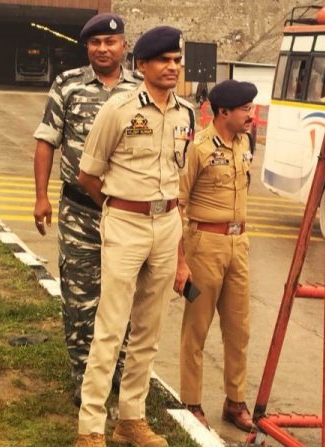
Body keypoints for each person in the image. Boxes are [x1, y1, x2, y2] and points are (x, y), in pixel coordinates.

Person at [74, 25, 194, 447]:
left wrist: (180, 252)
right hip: (125, 222)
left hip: (167, 224)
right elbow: (88, 174)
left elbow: (178, 183)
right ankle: (91, 427)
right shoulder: (119, 109)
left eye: (176, 61)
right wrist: (119, 207)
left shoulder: (186, 113)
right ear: (141, 65)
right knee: (110, 327)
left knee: (148, 330)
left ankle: (131, 419)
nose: (172, 67)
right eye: (163, 60)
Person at [32, 12, 140, 407]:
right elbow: (47, 140)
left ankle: (117, 372)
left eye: (110, 42)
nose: (103, 48)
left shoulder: (141, 89)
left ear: (123, 45)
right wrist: (41, 196)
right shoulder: (69, 84)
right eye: (95, 42)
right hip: (79, 212)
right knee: (80, 297)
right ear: (87, 47)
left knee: (125, 295)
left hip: (127, 213)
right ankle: (83, 374)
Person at [177, 79, 257, 431]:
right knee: (196, 329)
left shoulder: (245, 143)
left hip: (238, 245)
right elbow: (178, 204)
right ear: (224, 112)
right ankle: (191, 402)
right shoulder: (197, 148)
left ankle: (234, 400)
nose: (251, 115)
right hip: (204, 245)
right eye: (245, 109)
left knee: (239, 329)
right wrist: (180, 260)